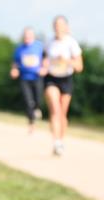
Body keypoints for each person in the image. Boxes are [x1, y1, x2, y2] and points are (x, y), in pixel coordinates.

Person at [42, 16, 83, 156]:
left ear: (66, 27)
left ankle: (61, 140)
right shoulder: (49, 42)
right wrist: (44, 66)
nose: (57, 27)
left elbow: (79, 67)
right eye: (55, 24)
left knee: (62, 114)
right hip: (51, 78)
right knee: (55, 108)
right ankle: (56, 142)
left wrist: (66, 61)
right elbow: (44, 60)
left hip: (66, 79)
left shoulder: (71, 43)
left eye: (60, 25)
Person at [11, 27, 45, 133]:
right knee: (28, 101)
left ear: (33, 36)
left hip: (37, 77)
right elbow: (15, 62)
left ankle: (38, 108)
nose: (27, 38)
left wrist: (44, 68)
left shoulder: (40, 46)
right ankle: (31, 123)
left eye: (29, 36)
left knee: (38, 99)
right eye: (25, 36)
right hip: (24, 78)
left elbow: (46, 59)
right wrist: (14, 70)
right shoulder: (19, 49)